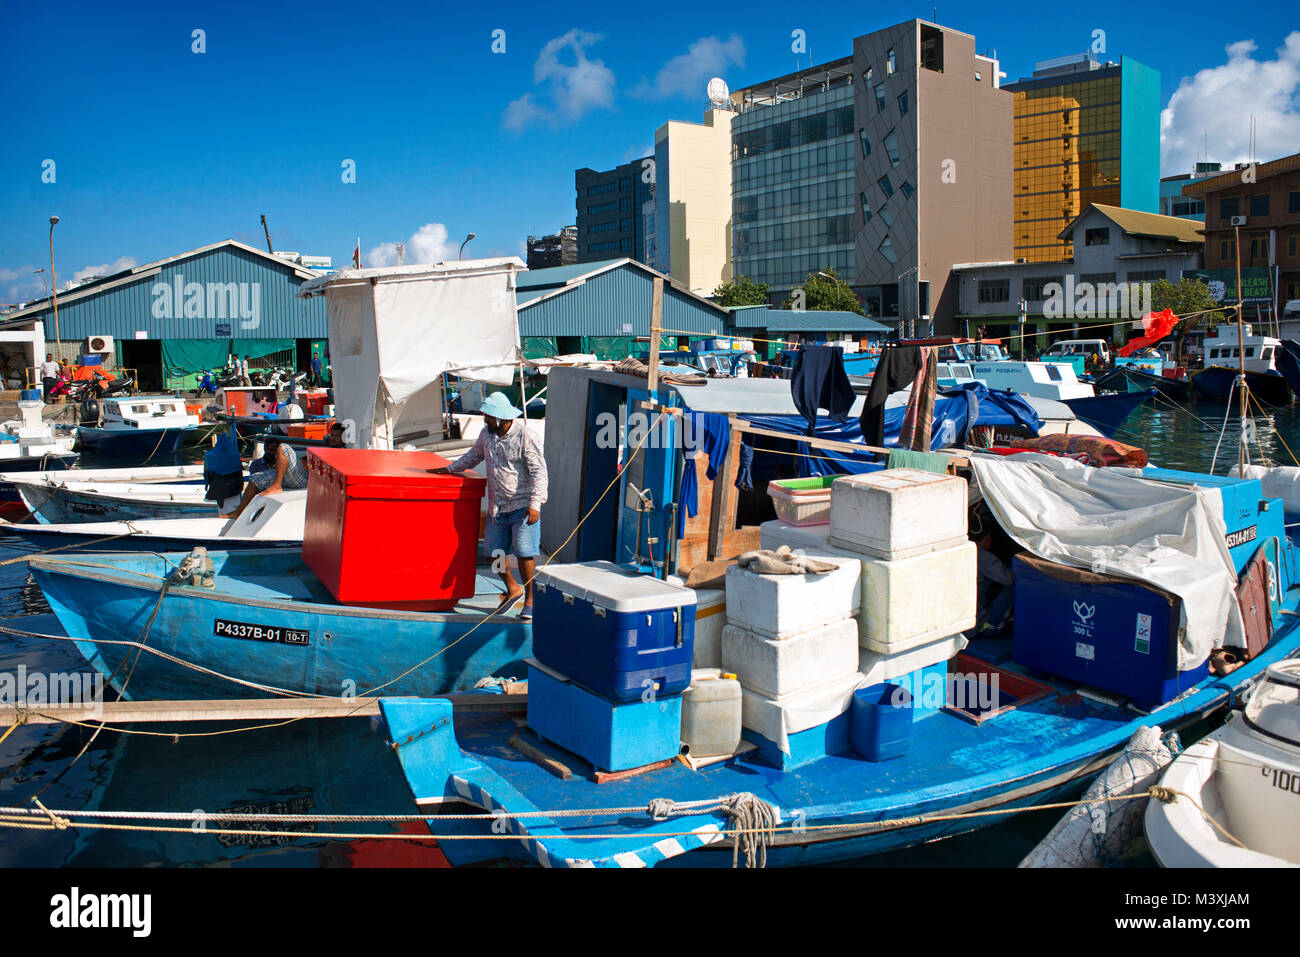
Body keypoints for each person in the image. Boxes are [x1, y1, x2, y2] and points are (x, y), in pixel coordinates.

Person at [431, 392, 547, 620]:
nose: (484, 419)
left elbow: (538, 472)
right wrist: (450, 469)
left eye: (488, 416)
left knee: (525, 554)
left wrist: (535, 505)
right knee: (493, 553)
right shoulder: (487, 435)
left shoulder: (526, 436)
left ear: (501, 418)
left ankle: (532, 602)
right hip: (498, 507)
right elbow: (474, 456)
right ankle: (513, 588)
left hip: (523, 506)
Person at [229, 437, 308, 518]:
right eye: (268, 449)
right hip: (284, 481)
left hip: (302, 479)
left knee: (284, 447)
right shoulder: (256, 464)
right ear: (264, 448)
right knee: (255, 478)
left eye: (273, 450)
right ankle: (239, 512)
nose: (270, 452)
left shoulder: (289, 457)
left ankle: (277, 485)